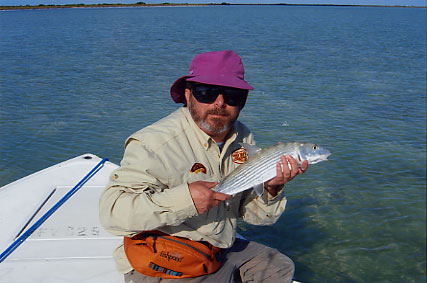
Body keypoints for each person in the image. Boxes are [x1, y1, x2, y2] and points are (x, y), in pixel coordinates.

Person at [99, 50, 308, 283]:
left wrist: (271, 187)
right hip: (166, 258)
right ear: (188, 95)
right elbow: (113, 214)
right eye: (206, 92)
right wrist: (186, 200)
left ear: (243, 101)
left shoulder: (243, 138)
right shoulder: (153, 143)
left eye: (232, 95)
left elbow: (256, 218)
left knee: (278, 267)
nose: (219, 103)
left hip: (219, 248)